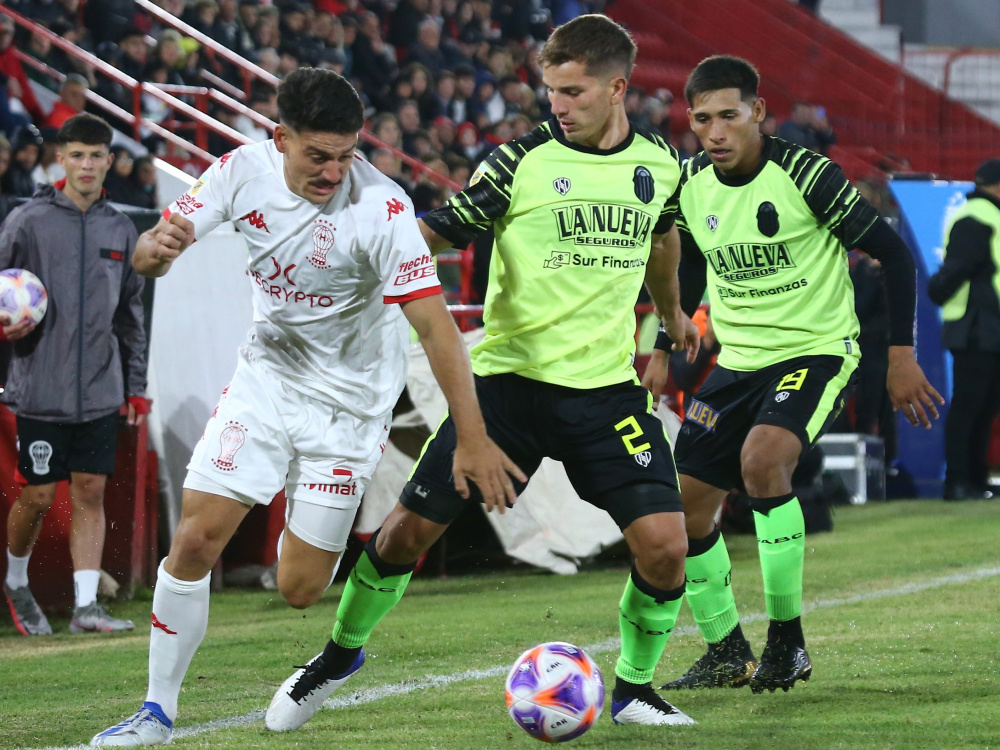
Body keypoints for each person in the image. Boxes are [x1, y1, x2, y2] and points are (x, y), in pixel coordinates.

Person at [266, 14, 701, 734]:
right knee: (405, 533)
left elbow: (662, 238)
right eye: (550, 89)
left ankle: (633, 689)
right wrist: (354, 257)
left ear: (618, 86)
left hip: (605, 394)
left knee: (665, 545)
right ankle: (337, 657)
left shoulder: (657, 164)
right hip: (506, 390)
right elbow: (445, 226)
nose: (556, 104)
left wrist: (672, 311)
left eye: (571, 90)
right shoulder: (519, 161)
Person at [89, 67, 519, 747]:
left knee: (299, 588)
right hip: (267, 382)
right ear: (279, 137)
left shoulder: (384, 209)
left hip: (347, 413)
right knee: (196, 539)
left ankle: (336, 654)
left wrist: (471, 436)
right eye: (317, 156)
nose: (333, 171)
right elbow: (153, 251)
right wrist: (153, 252)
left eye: (346, 155)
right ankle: (156, 712)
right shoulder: (238, 171)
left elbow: (436, 328)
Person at [643, 55, 942, 694]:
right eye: (702, 120)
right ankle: (726, 649)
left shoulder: (808, 175)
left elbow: (891, 255)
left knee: (762, 463)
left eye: (729, 115)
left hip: (815, 351)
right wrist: (664, 342)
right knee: (685, 504)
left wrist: (900, 356)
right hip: (739, 361)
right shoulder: (689, 182)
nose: (716, 131)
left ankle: (788, 642)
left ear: (757, 113)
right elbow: (685, 266)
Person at [1, 113, 147, 638]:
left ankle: (87, 607)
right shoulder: (27, 221)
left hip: (101, 391)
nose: (87, 165)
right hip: (40, 387)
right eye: (77, 155)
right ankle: (16, 581)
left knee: (90, 492)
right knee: (37, 498)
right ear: (60, 159)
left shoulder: (121, 228)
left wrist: (136, 386)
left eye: (96, 155)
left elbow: (132, 315)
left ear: (109, 161)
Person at [928, 158, 1000, 501]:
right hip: (976, 325)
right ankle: (958, 481)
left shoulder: (985, 214)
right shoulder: (978, 216)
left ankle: (974, 480)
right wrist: (937, 289)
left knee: (983, 405)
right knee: (971, 405)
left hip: (988, 324)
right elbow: (961, 265)